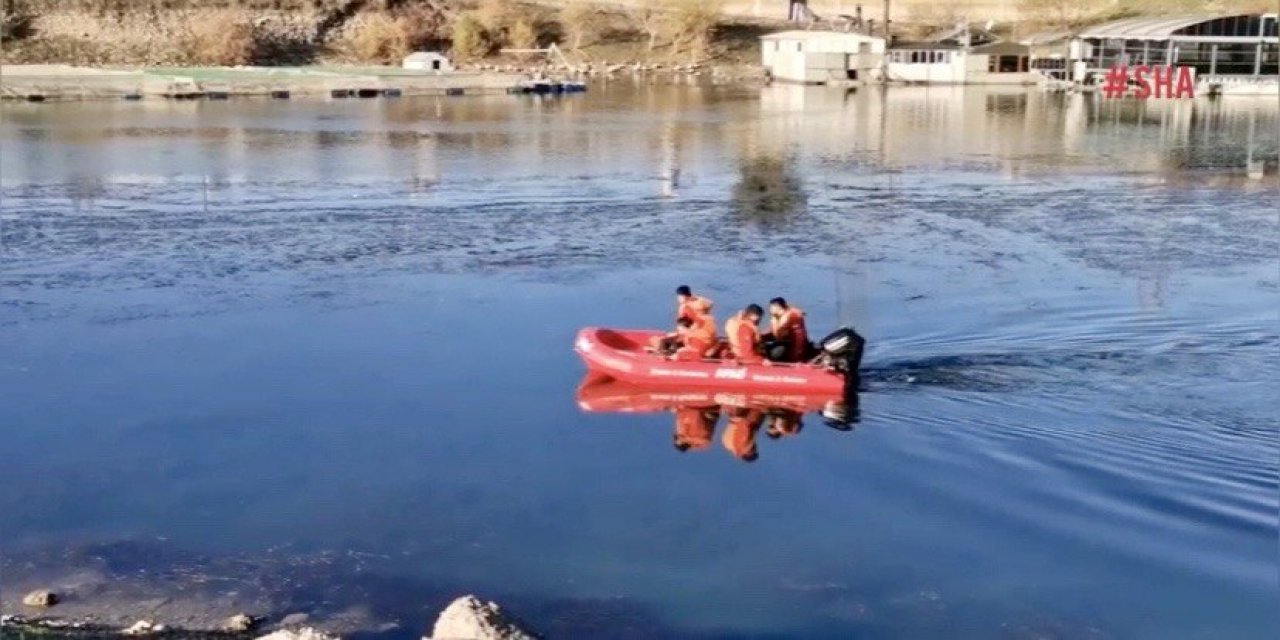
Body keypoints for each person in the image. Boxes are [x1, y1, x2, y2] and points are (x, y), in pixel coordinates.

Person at [767, 297, 809, 362]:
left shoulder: (792, 317)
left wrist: (796, 356)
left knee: (774, 354)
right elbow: (773, 332)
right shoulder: (776, 317)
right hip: (782, 343)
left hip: (793, 346)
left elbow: (798, 338)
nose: (769, 309)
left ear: (778, 307)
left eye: (771, 307)